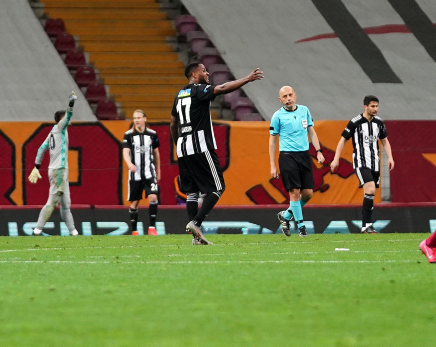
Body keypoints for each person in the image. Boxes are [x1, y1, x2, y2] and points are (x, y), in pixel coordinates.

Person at [171, 62, 263, 244]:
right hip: (200, 145)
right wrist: (247, 79)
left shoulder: (179, 95)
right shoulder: (198, 89)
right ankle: (196, 223)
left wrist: (178, 145)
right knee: (218, 187)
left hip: (183, 146)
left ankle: (195, 239)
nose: (207, 73)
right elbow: (221, 88)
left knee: (192, 192)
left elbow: (173, 124)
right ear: (194, 74)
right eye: (204, 70)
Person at [329, 95, 394, 233]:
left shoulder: (378, 122)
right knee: (370, 189)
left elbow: (385, 141)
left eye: (377, 106)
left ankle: (367, 225)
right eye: (372, 106)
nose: (375, 109)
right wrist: (336, 159)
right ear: (365, 107)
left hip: (374, 162)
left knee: (370, 193)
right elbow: (342, 140)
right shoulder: (355, 122)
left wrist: (390, 157)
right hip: (361, 161)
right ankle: (367, 224)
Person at [270, 86, 326, 238]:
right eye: (284, 96)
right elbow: (272, 141)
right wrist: (273, 165)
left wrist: (318, 151)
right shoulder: (277, 116)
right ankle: (301, 228)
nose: (288, 98)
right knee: (294, 192)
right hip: (287, 156)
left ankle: (286, 215)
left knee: (308, 194)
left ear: (295, 95)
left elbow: (312, 132)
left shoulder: (304, 111)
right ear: (280, 100)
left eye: (290, 95)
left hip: (304, 156)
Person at [28, 92, 79, 236]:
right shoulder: (60, 128)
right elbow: (68, 115)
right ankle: (37, 230)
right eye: (64, 119)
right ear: (60, 120)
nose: (68, 120)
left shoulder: (51, 133)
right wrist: (71, 103)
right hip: (59, 170)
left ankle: (73, 232)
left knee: (66, 204)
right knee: (52, 201)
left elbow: (41, 149)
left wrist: (37, 166)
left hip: (58, 170)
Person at [122, 109, 161, 235]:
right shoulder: (128, 135)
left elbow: (156, 153)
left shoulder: (153, 134)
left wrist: (158, 170)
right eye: (134, 118)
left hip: (150, 173)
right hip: (135, 174)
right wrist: (129, 164)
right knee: (135, 202)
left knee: (153, 196)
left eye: (139, 118)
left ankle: (151, 228)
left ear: (145, 119)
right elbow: (125, 152)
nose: (136, 120)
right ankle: (134, 230)